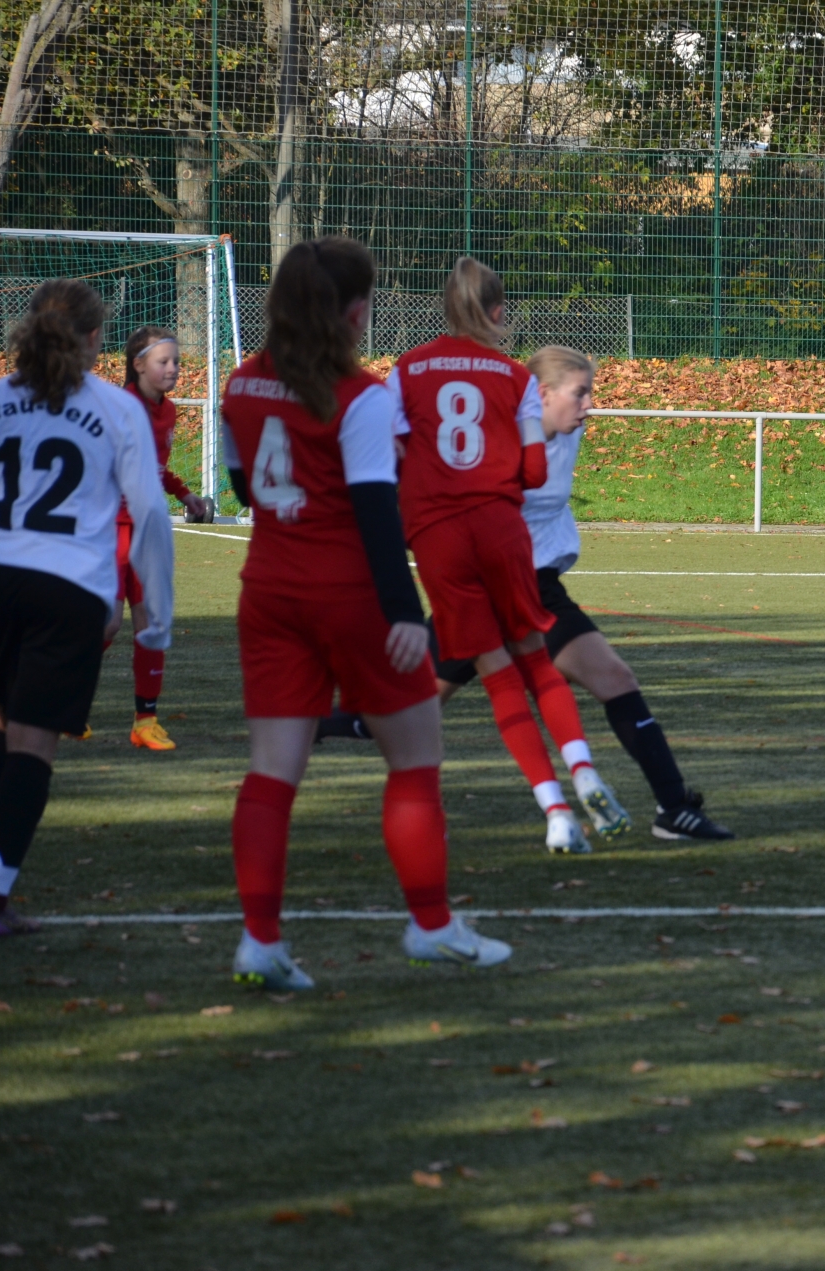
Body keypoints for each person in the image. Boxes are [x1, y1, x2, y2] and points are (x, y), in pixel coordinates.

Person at [220, 235, 508, 989]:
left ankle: (259, 941)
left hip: (269, 591)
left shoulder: (240, 383)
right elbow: (378, 514)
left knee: (271, 774)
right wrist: (406, 613)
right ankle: (431, 925)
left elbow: (244, 487)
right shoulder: (361, 396)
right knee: (413, 763)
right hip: (350, 596)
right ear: (352, 311)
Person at [320, 346, 735, 842]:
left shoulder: (566, 431)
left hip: (533, 586)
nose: (590, 405)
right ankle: (314, 728)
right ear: (541, 394)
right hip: (487, 588)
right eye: (580, 393)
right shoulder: (495, 440)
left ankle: (674, 810)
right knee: (396, 713)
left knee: (614, 679)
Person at [388, 257, 631, 853]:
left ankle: (556, 812)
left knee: (497, 675)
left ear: (444, 308)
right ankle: (584, 772)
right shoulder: (515, 377)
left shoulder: (407, 369)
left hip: (440, 536)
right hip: (501, 529)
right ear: (499, 313)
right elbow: (533, 470)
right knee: (537, 664)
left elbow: (390, 454)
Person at [0, 281, 175, 936]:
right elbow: (151, 513)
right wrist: (159, 612)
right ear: (97, 338)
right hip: (67, 589)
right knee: (32, 745)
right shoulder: (116, 408)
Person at [114, 325, 211, 751]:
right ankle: (58, 703)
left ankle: (145, 721)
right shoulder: (117, 408)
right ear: (138, 365)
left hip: (148, 529)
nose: (173, 369)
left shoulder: (168, 412)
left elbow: (156, 467)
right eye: (164, 362)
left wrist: (184, 493)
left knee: (151, 624)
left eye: (176, 362)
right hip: (110, 528)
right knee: (103, 623)